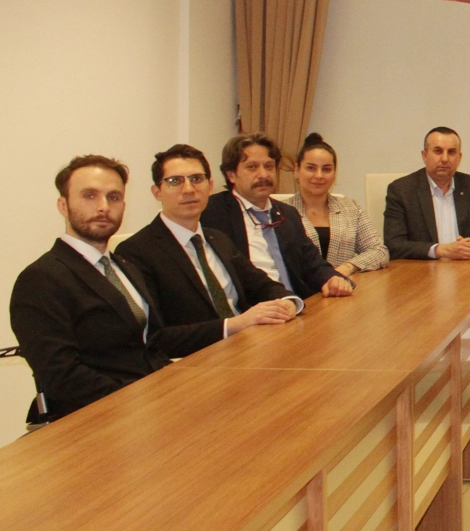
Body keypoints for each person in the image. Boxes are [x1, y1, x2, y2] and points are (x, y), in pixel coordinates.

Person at [9, 156, 229, 426]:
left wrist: (183, 382)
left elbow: (153, 344)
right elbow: (62, 378)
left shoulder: (124, 266)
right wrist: (149, 397)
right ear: (63, 205)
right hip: (97, 422)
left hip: (153, 409)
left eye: (113, 197)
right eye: (89, 196)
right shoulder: (41, 279)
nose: (103, 207)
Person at [117, 144, 302, 330]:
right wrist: (234, 324)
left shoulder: (217, 239)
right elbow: (156, 335)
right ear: (157, 192)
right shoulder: (135, 252)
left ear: (210, 187)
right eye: (175, 181)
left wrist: (287, 301)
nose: (189, 189)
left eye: (196, 179)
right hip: (206, 347)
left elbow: (261, 285)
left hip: (248, 339)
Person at [201, 133, 353, 300]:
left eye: (269, 166)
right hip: (254, 308)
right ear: (231, 174)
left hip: (297, 304)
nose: (263, 175)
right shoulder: (212, 212)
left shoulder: (288, 213)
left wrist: (331, 278)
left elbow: (312, 263)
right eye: (252, 167)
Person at [384, 127, 470, 260]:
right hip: (423, 270)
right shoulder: (402, 190)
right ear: (425, 155)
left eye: (452, 152)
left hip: (467, 269)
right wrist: (441, 250)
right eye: (438, 151)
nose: (445, 159)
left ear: (459, 158)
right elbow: (394, 245)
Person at [287, 133, 389, 277]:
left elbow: (379, 251)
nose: (319, 175)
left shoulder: (351, 208)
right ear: (296, 170)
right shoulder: (280, 212)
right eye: (311, 168)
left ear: (335, 174)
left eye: (326, 169)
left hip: (342, 288)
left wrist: (348, 267)